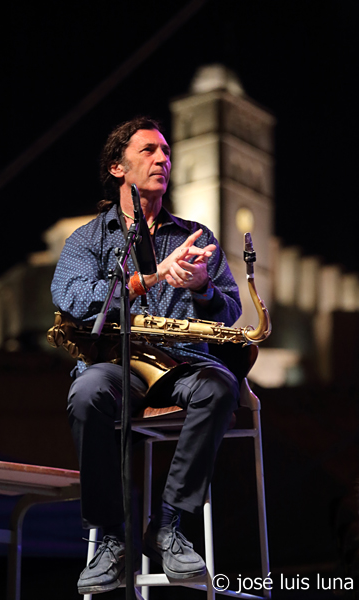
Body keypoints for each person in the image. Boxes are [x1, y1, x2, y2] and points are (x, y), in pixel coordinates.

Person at [51, 116, 242, 595]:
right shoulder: (89, 239)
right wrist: (148, 279)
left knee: (220, 385)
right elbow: (71, 295)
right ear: (117, 167)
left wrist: (203, 288)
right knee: (87, 392)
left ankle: (168, 524)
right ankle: (112, 538)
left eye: (166, 151)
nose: (163, 159)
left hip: (182, 363)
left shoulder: (196, 236)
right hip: (118, 366)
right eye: (149, 151)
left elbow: (231, 311)